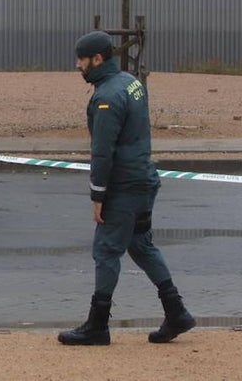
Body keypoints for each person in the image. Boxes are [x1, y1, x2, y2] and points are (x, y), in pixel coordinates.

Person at [58, 30, 196, 346]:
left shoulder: (106, 97)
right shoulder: (131, 82)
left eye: (81, 59)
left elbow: (102, 152)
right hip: (145, 180)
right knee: (141, 244)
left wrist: (97, 195)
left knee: (106, 250)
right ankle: (176, 312)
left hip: (125, 187)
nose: (78, 65)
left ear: (97, 59)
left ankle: (97, 326)